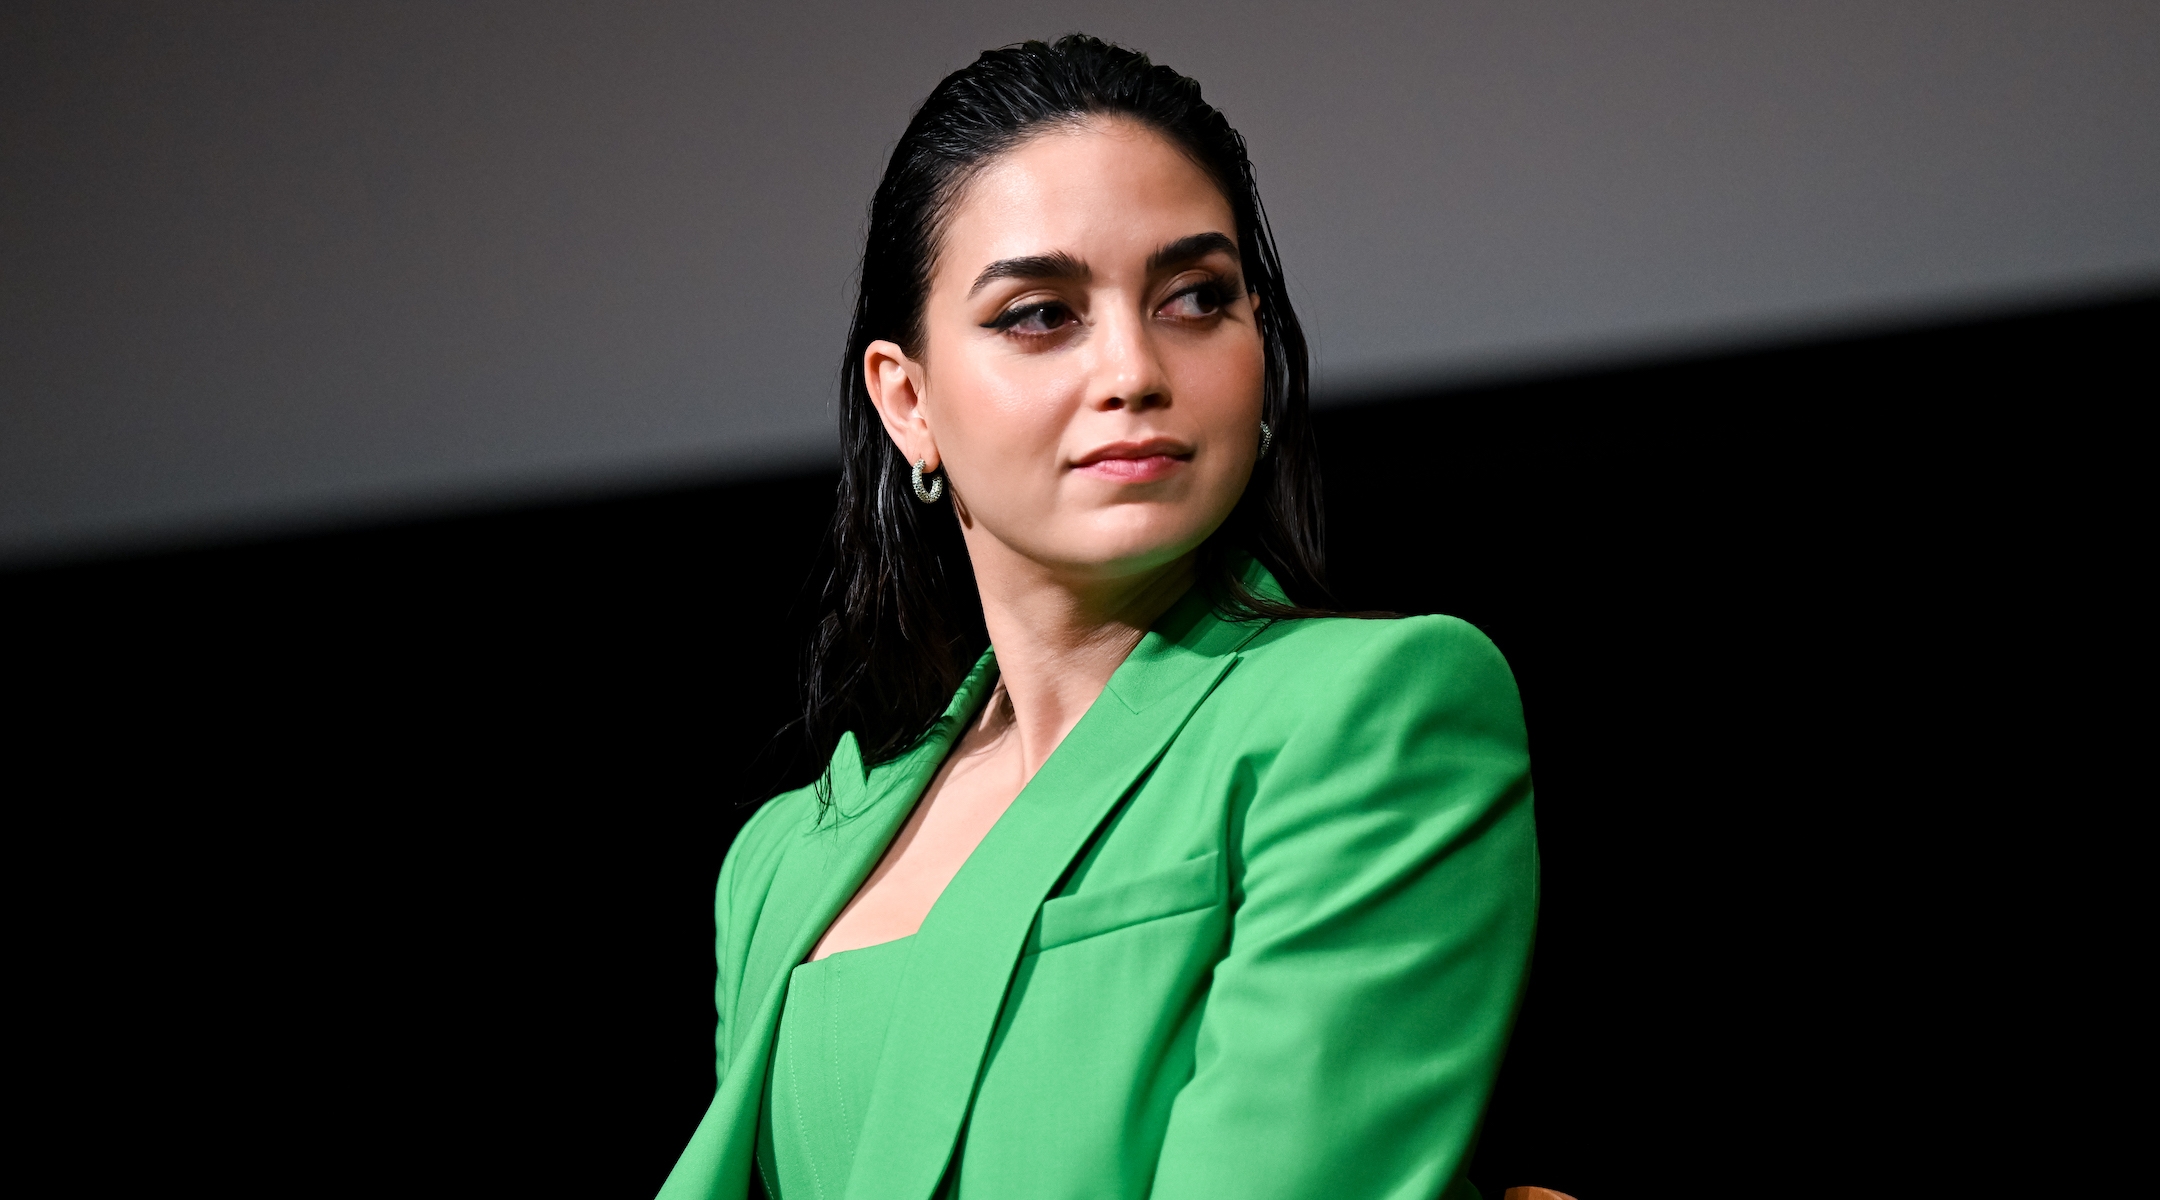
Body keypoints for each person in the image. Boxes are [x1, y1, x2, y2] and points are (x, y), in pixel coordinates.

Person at [658, 34, 1536, 1200]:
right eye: (1038, 314)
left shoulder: (1371, 711)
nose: (1133, 367)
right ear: (907, 400)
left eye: (1194, 298)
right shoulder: (779, 863)